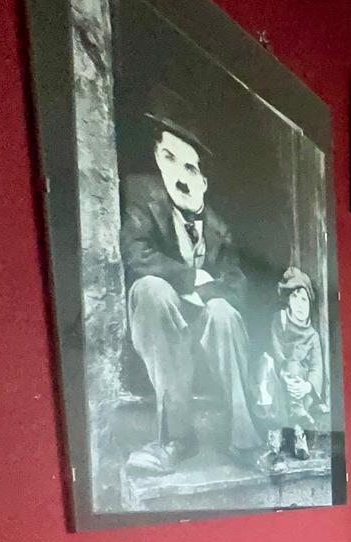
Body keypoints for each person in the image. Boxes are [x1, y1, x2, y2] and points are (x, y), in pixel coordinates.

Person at [119, 85, 267, 473]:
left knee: (224, 311)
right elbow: (136, 254)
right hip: (162, 331)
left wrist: (207, 290)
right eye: (169, 159)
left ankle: (245, 440)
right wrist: (190, 278)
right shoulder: (141, 195)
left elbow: (237, 287)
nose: (180, 178)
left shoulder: (219, 227)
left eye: (190, 168)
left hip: (207, 338)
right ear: (157, 158)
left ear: (204, 182)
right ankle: (175, 439)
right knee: (151, 289)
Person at [256, 267, 329, 469]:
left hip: (300, 386)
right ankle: (275, 435)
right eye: (294, 297)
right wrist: (283, 372)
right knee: (267, 366)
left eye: (304, 299)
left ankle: (299, 431)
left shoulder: (312, 335)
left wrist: (307, 387)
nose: (299, 304)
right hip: (279, 378)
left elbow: (316, 368)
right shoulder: (279, 321)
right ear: (288, 300)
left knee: (296, 367)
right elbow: (275, 349)